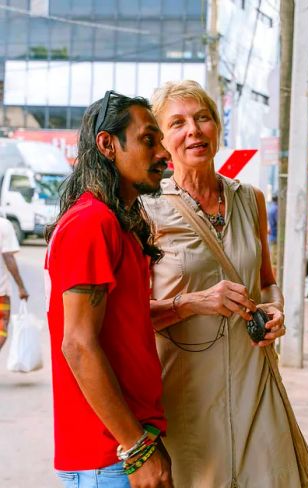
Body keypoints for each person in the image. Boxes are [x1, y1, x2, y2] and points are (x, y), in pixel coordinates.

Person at [143, 80, 308, 487]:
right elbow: (131, 316)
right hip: (185, 393)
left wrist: (274, 310)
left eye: (203, 118)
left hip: (253, 380)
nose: (194, 131)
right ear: (163, 141)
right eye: (178, 123)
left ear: (218, 127)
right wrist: (193, 302)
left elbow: (267, 282)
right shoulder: (147, 209)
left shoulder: (250, 199)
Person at [45, 91, 173, 488]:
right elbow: (78, 346)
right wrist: (136, 449)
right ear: (107, 144)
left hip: (126, 446)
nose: (163, 153)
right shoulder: (90, 223)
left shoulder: (119, 224)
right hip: (108, 457)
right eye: (148, 139)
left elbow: (124, 324)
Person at [0, 215, 29, 351]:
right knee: (2, 326)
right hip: (1, 292)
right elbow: (8, 257)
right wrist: (21, 287)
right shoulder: (4, 225)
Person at [267, 194, 279, 268]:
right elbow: (278, 223)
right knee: (275, 261)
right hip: (275, 236)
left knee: (272, 258)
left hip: (271, 236)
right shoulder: (276, 209)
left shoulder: (270, 208)